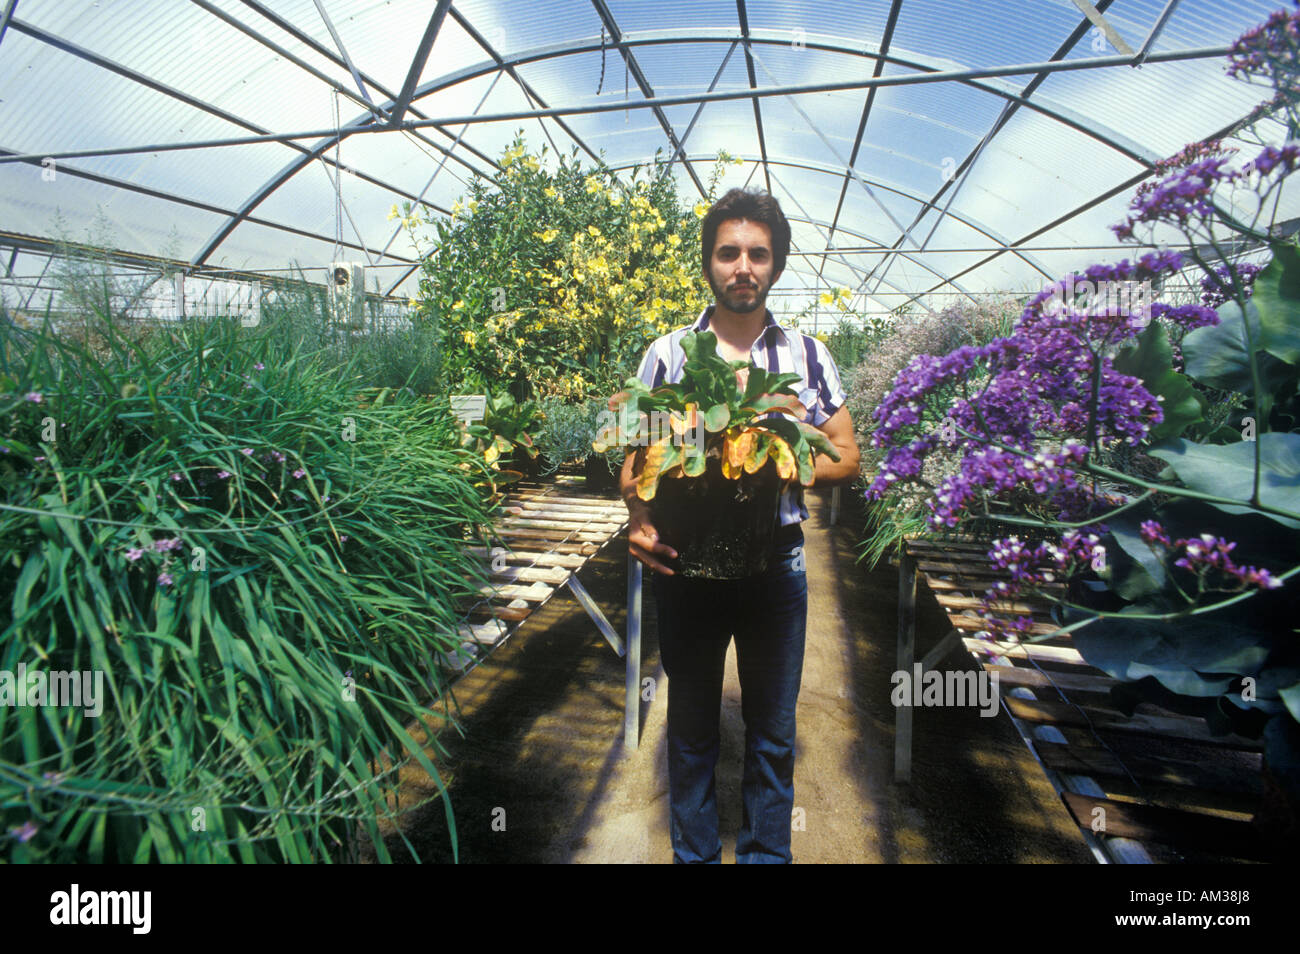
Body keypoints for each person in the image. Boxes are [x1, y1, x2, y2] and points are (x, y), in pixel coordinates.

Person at [618, 187, 860, 863]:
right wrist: (638, 517)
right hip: (686, 568)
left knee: (773, 735)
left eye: (758, 253)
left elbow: (847, 455)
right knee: (691, 734)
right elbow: (633, 461)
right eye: (729, 253)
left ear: (776, 265)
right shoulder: (668, 355)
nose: (743, 267)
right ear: (709, 265)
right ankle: (694, 856)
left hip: (775, 567)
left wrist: (783, 459)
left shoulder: (808, 356)